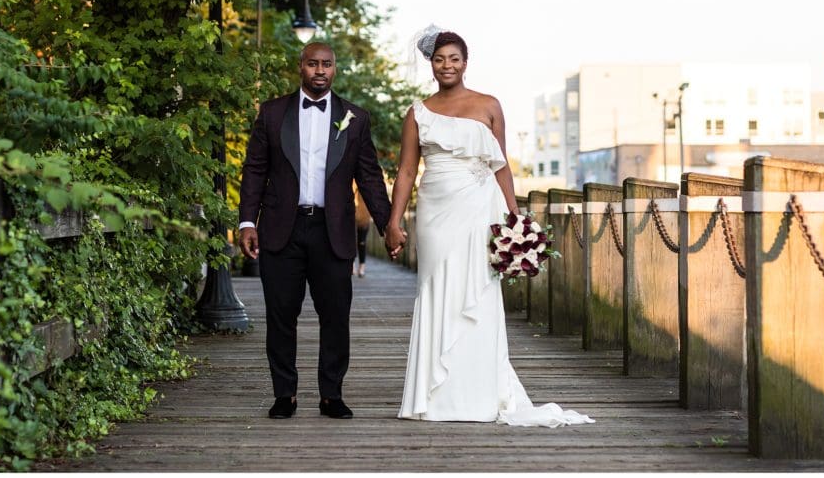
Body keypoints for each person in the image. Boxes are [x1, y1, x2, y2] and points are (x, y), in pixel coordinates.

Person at [387, 28, 594, 427]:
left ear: (466, 61)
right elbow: (407, 170)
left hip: (480, 209)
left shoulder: (489, 105)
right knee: (438, 292)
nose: (447, 65)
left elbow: (501, 166)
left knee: (478, 297)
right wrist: (395, 221)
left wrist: (515, 221)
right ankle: (433, 396)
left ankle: (477, 395)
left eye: (454, 58)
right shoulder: (417, 112)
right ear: (431, 64)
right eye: (439, 59)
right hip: (436, 212)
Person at [238, 42, 392, 420]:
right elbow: (255, 169)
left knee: (336, 316)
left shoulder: (355, 117)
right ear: (301, 67)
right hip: (281, 228)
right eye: (312, 64)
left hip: (332, 229)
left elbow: (369, 177)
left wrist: (389, 224)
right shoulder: (272, 114)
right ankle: (284, 394)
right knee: (280, 315)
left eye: (326, 64)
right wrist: (246, 221)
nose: (319, 70)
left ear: (335, 69)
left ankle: (331, 395)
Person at [353, 187, 371, 277]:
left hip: (363, 215)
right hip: (351, 214)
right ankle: (352, 264)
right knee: (351, 239)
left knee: (362, 242)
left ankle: (362, 266)